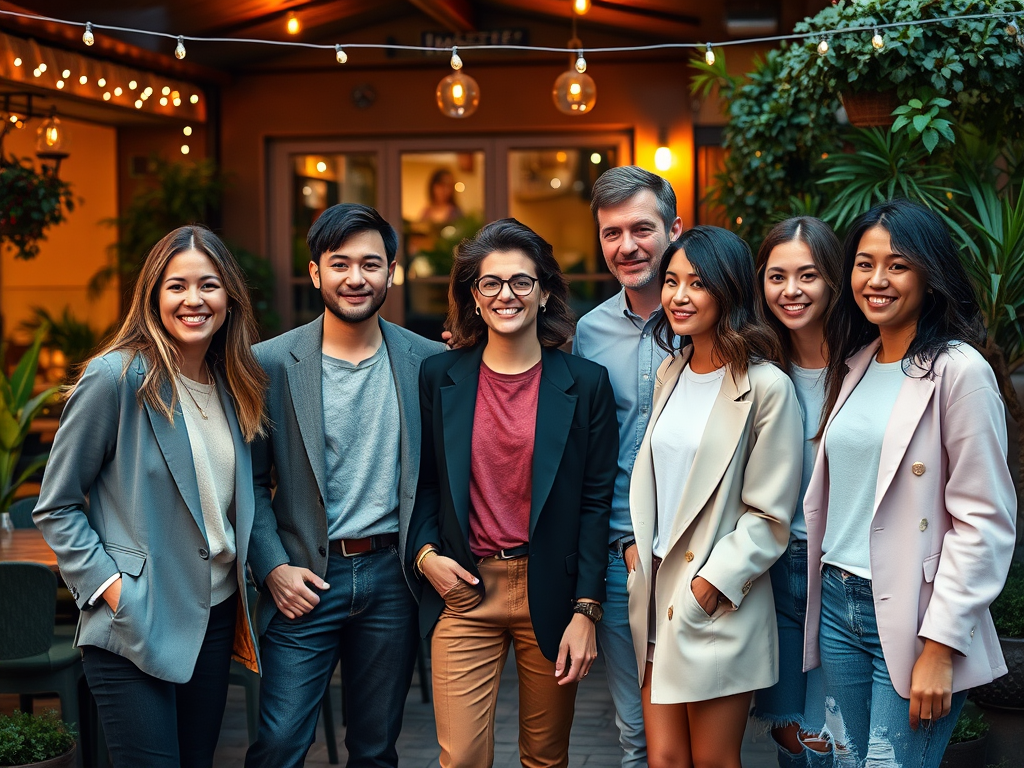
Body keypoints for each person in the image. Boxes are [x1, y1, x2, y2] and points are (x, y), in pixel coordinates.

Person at [33, 226, 267, 767]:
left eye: (208, 285)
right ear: (152, 296)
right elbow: (57, 504)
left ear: (229, 297)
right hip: (134, 622)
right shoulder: (115, 377)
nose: (193, 300)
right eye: (176, 286)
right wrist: (113, 590)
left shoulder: (234, 382)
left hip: (213, 616)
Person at [803, 198, 1017, 767]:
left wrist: (942, 646)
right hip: (839, 607)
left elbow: (985, 520)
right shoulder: (854, 362)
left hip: (915, 614)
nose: (877, 280)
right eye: (864, 263)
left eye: (897, 265)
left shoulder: (959, 370)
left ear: (930, 273)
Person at [409, 218, 618, 768]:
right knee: (461, 759)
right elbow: (425, 482)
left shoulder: (586, 382)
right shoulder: (439, 376)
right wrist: (426, 555)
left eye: (522, 282)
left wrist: (587, 610)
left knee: (545, 758)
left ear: (544, 291)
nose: (507, 294)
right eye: (491, 283)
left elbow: (596, 503)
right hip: (465, 589)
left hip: (551, 589)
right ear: (473, 297)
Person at [244, 203, 445, 768]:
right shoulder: (269, 364)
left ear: (391, 273)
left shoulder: (427, 361)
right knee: (280, 744)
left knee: (376, 750)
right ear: (316, 273)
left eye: (371, 264)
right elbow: (251, 482)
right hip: (305, 576)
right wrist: (273, 566)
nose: (356, 278)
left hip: (391, 576)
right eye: (340, 264)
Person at [627, 228, 803, 768]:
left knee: (713, 760)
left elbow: (770, 514)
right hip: (654, 588)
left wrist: (710, 585)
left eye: (697, 283)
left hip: (714, 596)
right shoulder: (670, 371)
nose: (678, 296)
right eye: (672, 281)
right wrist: (635, 551)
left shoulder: (766, 385)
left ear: (727, 291)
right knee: (663, 757)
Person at [573, 165, 683, 768]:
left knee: (703, 729)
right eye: (611, 233)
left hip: (701, 554)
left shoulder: (713, 322)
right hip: (624, 553)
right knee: (637, 734)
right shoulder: (588, 332)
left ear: (674, 227)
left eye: (642, 228)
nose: (627, 246)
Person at [750, 217, 843, 766]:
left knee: (837, 737)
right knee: (791, 734)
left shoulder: (870, 363)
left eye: (807, 275)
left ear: (833, 279)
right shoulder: (759, 368)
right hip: (777, 565)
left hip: (845, 571)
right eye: (776, 276)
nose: (791, 291)